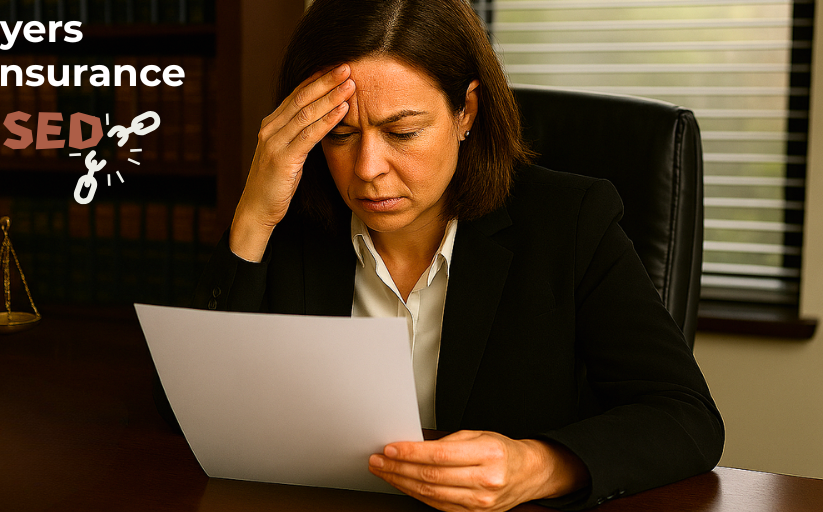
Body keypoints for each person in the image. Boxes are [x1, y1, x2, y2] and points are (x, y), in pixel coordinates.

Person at [190, 0, 724, 510]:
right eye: (341, 134)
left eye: (402, 132)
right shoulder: (291, 222)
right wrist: (253, 217)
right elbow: (192, 412)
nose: (367, 168)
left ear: (465, 111)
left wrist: (537, 466)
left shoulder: (570, 221)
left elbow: (685, 418)